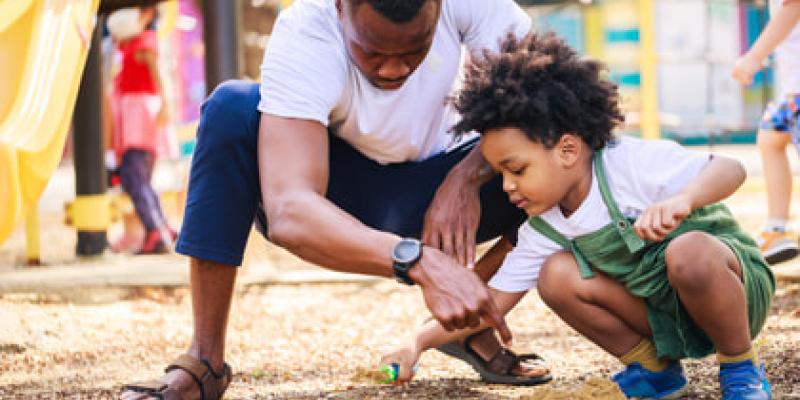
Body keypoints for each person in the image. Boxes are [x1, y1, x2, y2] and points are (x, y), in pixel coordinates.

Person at [121, 1, 551, 399]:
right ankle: (205, 360)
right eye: (373, 53)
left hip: (454, 183)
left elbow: (537, 93)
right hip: (344, 198)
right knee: (231, 109)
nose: (393, 69)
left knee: (561, 141)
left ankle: (469, 326)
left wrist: (466, 179)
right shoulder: (306, 29)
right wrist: (418, 260)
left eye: (414, 50)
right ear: (342, 8)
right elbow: (289, 210)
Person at [384, 33, 776, 399]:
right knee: (555, 275)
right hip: (665, 317)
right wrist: (417, 342)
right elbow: (492, 302)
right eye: (500, 173)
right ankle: (653, 368)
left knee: (688, 252)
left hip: (735, 296)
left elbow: (730, 168)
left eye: (517, 170)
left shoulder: (628, 163)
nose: (506, 186)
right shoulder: (545, 225)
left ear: (568, 150)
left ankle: (740, 365)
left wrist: (684, 200)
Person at [732, 0, 800, 264]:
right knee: (770, 138)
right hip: (792, 91)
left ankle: (777, 228)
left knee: (771, 138)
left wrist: (754, 56)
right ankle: (776, 228)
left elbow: (793, 7)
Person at [108, 5, 177, 254]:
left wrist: (167, 102)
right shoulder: (129, 42)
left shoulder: (145, 42)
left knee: (134, 176)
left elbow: (160, 74)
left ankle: (155, 229)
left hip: (140, 115)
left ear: (147, 15)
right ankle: (161, 227)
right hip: (133, 114)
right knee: (139, 178)